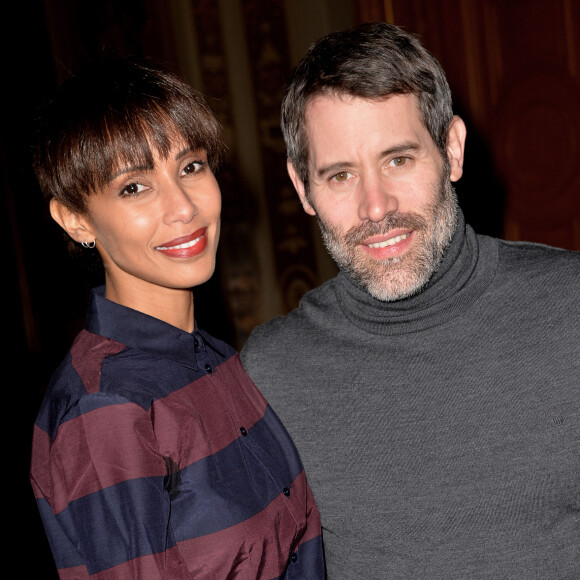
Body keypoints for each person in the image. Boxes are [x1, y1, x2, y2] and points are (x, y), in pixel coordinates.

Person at [240, 21, 580, 579]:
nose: (376, 207)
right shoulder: (273, 372)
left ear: (453, 149)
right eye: (341, 175)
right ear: (303, 189)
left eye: (398, 159)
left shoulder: (570, 311)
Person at [29, 57, 324, 579]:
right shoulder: (106, 409)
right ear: (75, 220)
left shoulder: (211, 358)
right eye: (134, 187)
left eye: (190, 167)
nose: (184, 207)